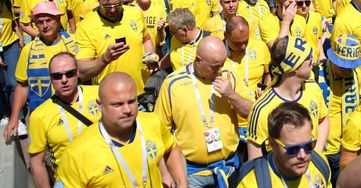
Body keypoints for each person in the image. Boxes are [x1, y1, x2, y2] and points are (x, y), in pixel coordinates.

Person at [55, 72, 187, 187]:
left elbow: (172, 148)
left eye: (131, 102)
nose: (127, 110)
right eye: (118, 104)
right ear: (100, 105)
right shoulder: (77, 153)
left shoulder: (152, 123)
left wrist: (182, 183)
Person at [156, 36, 252, 186]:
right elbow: (160, 133)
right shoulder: (172, 83)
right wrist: (165, 173)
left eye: (222, 64)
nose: (220, 70)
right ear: (198, 59)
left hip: (229, 169)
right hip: (192, 174)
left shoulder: (229, 75)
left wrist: (231, 95)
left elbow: (251, 113)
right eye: (215, 66)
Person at [4, 2, 78, 142]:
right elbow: (22, 85)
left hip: (74, 113)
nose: (45, 25)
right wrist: (14, 119)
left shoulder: (74, 45)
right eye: (40, 22)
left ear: (57, 20)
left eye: (49, 20)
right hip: (43, 117)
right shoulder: (28, 50)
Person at [245, 36, 329, 160]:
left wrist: (317, 155)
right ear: (293, 67)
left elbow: (323, 120)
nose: (313, 61)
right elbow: (255, 161)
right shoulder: (262, 110)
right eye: (308, 59)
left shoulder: (312, 88)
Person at [27, 52, 100, 187]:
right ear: (51, 78)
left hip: (105, 175)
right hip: (69, 181)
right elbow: (37, 162)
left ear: (78, 73)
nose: (64, 79)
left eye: (70, 73)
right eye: (57, 76)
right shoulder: (39, 115)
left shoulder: (99, 94)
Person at [76, 0, 154, 94]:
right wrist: (104, 59)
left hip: (141, 93)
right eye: (107, 6)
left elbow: (146, 39)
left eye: (117, 4)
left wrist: (150, 55)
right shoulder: (86, 26)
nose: (112, 10)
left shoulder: (135, 13)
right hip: (110, 99)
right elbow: (82, 71)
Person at [236, 102, 331, 187]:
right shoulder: (252, 184)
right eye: (293, 149)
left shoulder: (320, 163)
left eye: (309, 145)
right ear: (272, 143)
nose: (302, 155)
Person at [317, 34, 361, 183]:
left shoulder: (357, 75)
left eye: (350, 66)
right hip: (320, 150)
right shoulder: (315, 75)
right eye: (342, 65)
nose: (346, 70)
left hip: (346, 149)